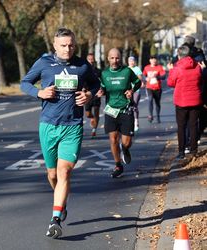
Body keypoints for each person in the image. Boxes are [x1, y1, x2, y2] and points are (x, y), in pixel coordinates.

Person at [20, 28, 100, 239]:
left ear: (75, 45)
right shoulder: (44, 63)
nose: (67, 49)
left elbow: (95, 83)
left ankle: (55, 219)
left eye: (71, 45)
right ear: (55, 46)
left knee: (64, 172)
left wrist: (88, 95)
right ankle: (60, 202)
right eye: (63, 45)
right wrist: (39, 92)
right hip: (48, 125)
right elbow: (25, 83)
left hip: (72, 126)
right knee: (53, 174)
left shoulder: (83, 65)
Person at [97, 48, 141, 178]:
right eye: (112, 58)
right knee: (113, 139)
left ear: (120, 58)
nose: (114, 61)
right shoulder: (104, 74)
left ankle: (125, 150)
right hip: (111, 110)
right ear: (108, 59)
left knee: (126, 142)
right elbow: (103, 88)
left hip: (125, 110)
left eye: (117, 58)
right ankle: (118, 165)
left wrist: (132, 90)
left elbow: (138, 82)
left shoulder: (127, 71)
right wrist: (101, 92)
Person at [167, 45, 202, 159]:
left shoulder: (177, 68)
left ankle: (181, 151)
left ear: (179, 56)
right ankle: (194, 149)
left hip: (181, 100)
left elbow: (170, 83)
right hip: (195, 99)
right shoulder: (197, 66)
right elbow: (200, 79)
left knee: (181, 126)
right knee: (193, 125)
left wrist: (171, 70)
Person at [142, 55, 166, 123]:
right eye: (152, 59)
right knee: (150, 100)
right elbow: (143, 75)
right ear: (150, 60)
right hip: (149, 87)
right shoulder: (146, 68)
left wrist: (157, 77)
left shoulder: (159, 67)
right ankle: (150, 115)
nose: (153, 60)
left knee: (157, 103)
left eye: (155, 59)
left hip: (157, 88)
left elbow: (163, 76)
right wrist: (145, 79)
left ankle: (158, 116)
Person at [84, 53, 102, 137]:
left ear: (94, 60)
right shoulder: (84, 70)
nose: (91, 61)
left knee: (96, 112)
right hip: (87, 94)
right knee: (88, 114)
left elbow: (102, 82)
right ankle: (92, 118)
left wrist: (101, 90)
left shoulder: (98, 71)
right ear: (87, 61)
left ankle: (94, 130)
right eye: (89, 59)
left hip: (96, 94)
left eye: (92, 59)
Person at [128, 56, 144, 132]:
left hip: (136, 91)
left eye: (133, 61)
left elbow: (140, 79)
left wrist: (134, 78)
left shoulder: (137, 69)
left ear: (135, 62)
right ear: (128, 62)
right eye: (130, 61)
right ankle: (130, 122)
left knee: (134, 105)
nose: (131, 62)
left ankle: (136, 121)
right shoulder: (127, 69)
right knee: (128, 107)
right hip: (128, 90)